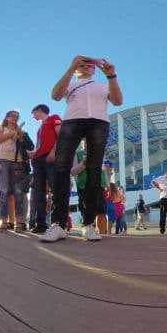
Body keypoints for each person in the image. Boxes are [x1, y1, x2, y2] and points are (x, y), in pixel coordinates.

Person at [42, 55, 123, 243]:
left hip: (99, 122)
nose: (85, 67)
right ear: (76, 68)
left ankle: (88, 224)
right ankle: (58, 224)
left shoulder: (103, 86)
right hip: (72, 121)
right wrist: (71, 68)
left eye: (89, 65)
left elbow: (118, 101)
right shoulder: (70, 85)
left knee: (94, 169)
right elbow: (55, 95)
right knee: (61, 167)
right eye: (81, 65)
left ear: (94, 70)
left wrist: (111, 75)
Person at [0, 111, 33, 232]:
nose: (14, 118)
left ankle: (19, 223)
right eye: (12, 116)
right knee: (4, 191)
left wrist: (20, 134)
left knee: (18, 191)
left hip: (18, 162)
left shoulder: (21, 131)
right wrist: (12, 133)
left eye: (16, 116)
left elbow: (29, 146)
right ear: (7, 117)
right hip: (3, 161)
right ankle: (4, 222)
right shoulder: (0, 127)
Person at [27, 104, 62, 234]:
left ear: (39, 110)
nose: (33, 116)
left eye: (33, 113)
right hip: (38, 160)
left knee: (55, 189)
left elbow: (61, 135)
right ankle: (41, 224)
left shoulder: (54, 118)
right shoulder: (40, 128)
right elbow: (41, 145)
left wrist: (54, 152)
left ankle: (58, 222)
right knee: (39, 192)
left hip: (50, 158)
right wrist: (34, 154)